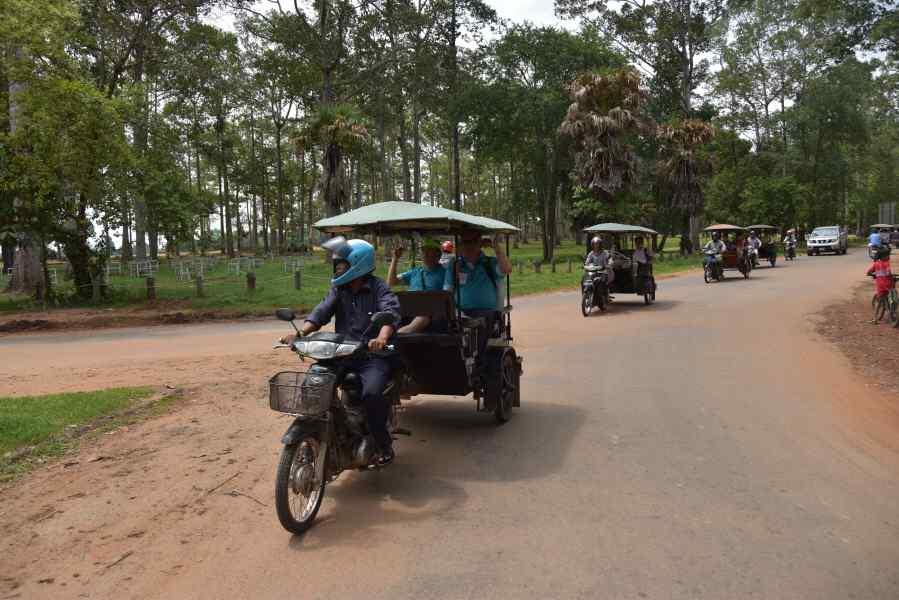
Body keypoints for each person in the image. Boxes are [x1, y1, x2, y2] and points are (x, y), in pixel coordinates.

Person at [284, 237, 401, 466]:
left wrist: (381, 337)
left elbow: (390, 313)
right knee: (314, 382)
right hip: (341, 353)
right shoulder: (340, 289)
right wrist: (301, 334)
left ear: (358, 264)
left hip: (371, 356)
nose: (338, 269)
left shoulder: (378, 288)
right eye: (337, 265)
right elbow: (321, 313)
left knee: (372, 394)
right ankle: (316, 433)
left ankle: (382, 443)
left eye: (342, 265)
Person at [451, 228, 513, 365]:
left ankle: (477, 363)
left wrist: (496, 247)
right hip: (459, 311)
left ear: (480, 243)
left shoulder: (488, 263)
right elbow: (447, 288)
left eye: (473, 241)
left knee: (480, 323)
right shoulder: (455, 265)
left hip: (484, 312)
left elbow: (507, 269)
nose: (469, 246)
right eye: (465, 242)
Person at [387, 237, 451, 334]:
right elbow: (391, 282)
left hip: (429, 313)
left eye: (430, 252)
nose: (426, 255)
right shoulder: (415, 271)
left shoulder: (445, 273)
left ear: (438, 255)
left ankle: (398, 335)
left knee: (424, 316)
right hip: (409, 309)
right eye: (424, 251)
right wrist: (395, 259)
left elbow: (447, 296)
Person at [868, 245, 894, 323]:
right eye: (887, 255)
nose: (888, 256)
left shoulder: (876, 264)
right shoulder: (887, 263)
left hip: (881, 286)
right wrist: (890, 275)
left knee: (879, 302)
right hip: (889, 284)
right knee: (888, 298)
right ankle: (890, 314)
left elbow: (869, 272)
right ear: (883, 256)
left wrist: (872, 274)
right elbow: (889, 272)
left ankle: (875, 319)